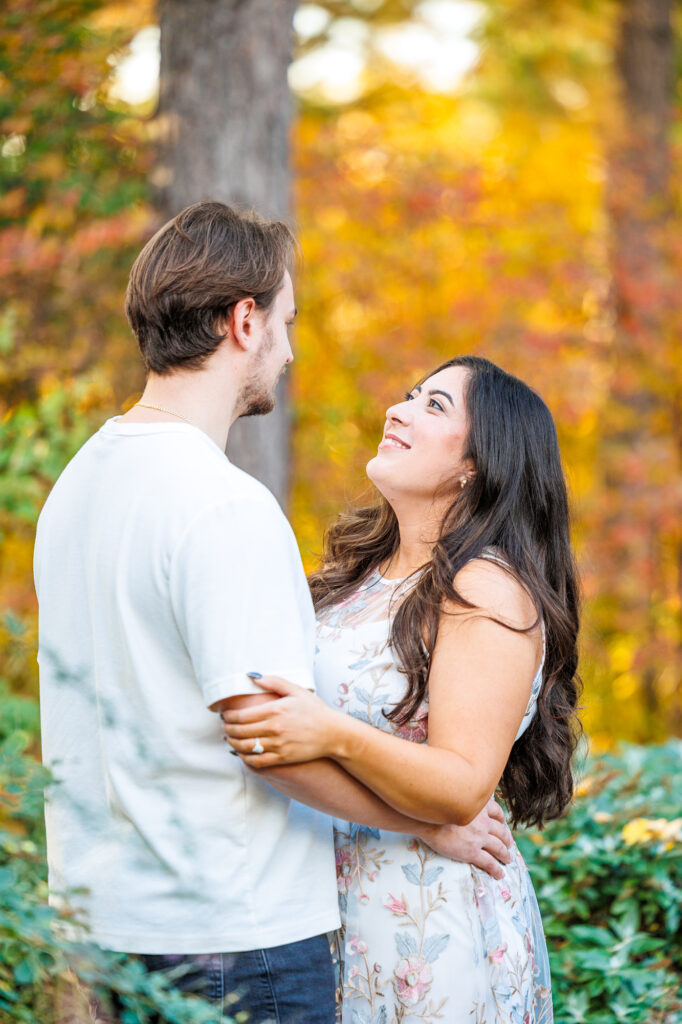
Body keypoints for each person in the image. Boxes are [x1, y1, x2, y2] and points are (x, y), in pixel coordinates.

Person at [34, 203, 514, 1024]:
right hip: (231, 941)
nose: (288, 352)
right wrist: (419, 826)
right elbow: (267, 740)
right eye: (285, 324)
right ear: (244, 321)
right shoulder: (223, 504)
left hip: (99, 930)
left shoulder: (78, 484)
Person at [222, 355, 582, 1023]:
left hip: (427, 920)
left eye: (434, 405)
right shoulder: (358, 578)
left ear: (477, 462)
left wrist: (330, 731)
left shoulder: (484, 588)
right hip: (330, 901)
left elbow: (462, 785)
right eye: (409, 394)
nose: (397, 410)